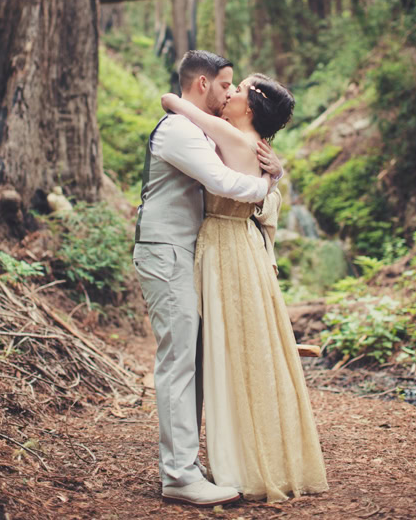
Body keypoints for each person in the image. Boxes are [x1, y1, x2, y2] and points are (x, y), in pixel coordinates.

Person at [160, 73, 328, 502]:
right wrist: (275, 177)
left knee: (227, 352)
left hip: (223, 246)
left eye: (238, 89)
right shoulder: (256, 145)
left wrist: (183, 97)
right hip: (244, 247)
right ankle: (267, 455)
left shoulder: (232, 135)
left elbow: (172, 102)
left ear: (249, 107)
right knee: (250, 350)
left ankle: (239, 465)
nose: (229, 92)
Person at [132, 50, 282, 507]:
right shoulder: (179, 131)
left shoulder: (194, 123)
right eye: (224, 85)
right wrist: (268, 186)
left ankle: (189, 465)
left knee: (193, 361)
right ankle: (178, 475)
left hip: (186, 253)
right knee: (179, 362)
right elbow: (220, 181)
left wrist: (274, 170)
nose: (229, 93)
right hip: (166, 252)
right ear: (201, 84)